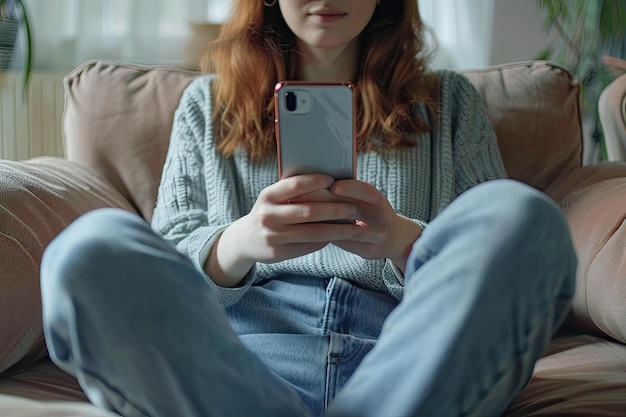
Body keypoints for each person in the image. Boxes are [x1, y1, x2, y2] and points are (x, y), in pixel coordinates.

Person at [40, 0, 577, 416]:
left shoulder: (450, 103)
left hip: (411, 363)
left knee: (519, 215)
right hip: (240, 372)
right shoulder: (206, 107)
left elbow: (489, 256)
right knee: (86, 251)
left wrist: (401, 240)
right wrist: (241, 242)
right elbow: (167, 271)